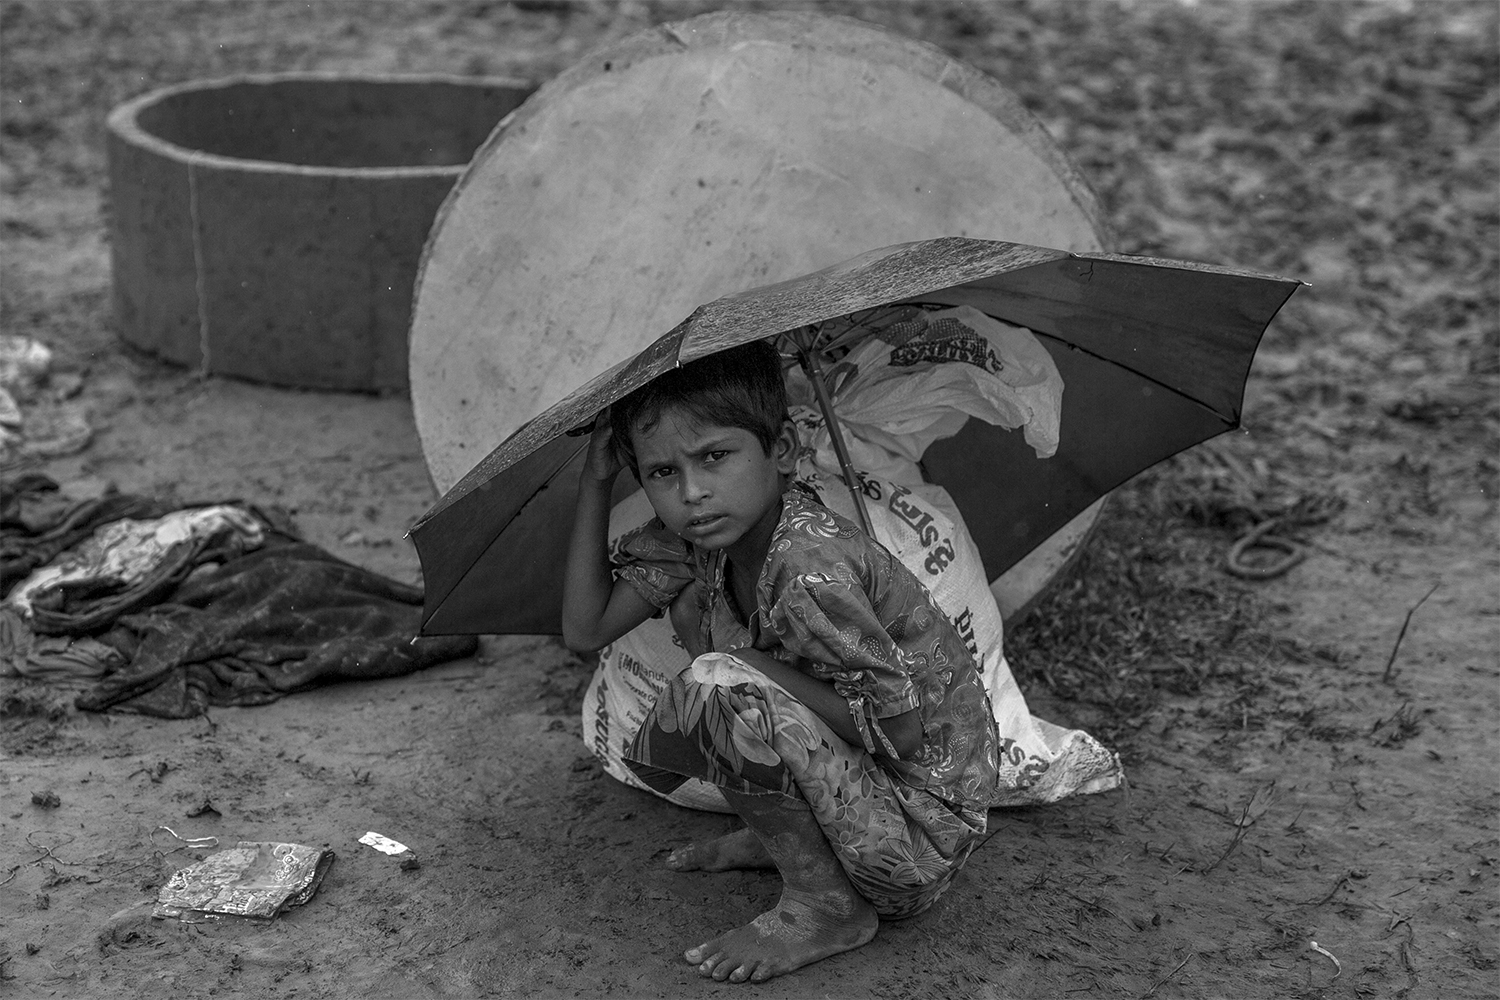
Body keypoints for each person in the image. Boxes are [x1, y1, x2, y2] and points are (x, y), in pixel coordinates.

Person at [562, 340, 1001, 984]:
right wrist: (596, 479)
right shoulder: (703, 537)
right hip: (864, 806)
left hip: (915, 840)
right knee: (709, 647)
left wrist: (743, 664)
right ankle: (793, 842)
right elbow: (585, 628)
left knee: (723, 681)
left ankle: (826, 907)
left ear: (784, 451)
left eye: (715, 456)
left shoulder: (808, 566)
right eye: (661, 473)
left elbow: (901, 734)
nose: (692, 492)